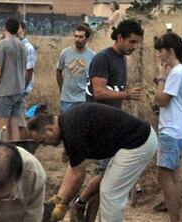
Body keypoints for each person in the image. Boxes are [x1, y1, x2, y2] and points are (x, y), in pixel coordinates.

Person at [28, 103, 157, 222]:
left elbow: (78, 175)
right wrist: (57, 200)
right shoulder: (67, 124)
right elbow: (73, 168)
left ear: (49, 129)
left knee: (111, 193)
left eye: (42, 141)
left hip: (139, 143)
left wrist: (63, 205)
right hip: (132, 143)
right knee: (108, 191)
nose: (44, 145)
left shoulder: (71, 129)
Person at [67, 19, 144, 221]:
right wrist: (126, 95)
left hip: (112, 126)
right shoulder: (103, 58)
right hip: (98, 126)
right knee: (107, 174)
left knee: (107, 177)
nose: (134, 47)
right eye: (132, 42)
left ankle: (88, 216)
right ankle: (79, 203)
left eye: (136, 43)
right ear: (120, 38)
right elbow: (99, 92)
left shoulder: (121, 59)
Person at [153, 33, 182, 222]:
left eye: (161, 51)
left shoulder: (177, 72)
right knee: (170, 176)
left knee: (164, 176)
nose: (159, 55)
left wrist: (161, 79)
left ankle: (174, 219)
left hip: (173, 131)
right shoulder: (180, 72)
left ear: (170, 51)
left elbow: (161, 100)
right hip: (178, 130)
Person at [0, 18, 27, 141]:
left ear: (4, 28)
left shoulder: (3, 44)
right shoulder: (22, 45)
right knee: (14, 123)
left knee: (1, 124)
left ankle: (3, 153)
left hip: (5, 90)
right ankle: (16, 150)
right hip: (19, 89)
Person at [56, 23, 95, 113]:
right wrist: (62, 89)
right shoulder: (65, 53)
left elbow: (93, 78)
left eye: (81, 37)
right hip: (67, 99)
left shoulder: (92, 56)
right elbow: (58, 71)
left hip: (83, 99)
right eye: (76, 36)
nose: (77, 39)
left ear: (87, 38)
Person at [16, 21, 37, 139]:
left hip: (21, 90)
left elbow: (29, 71)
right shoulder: (16, 46)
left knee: (20, 120)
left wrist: (21, 88)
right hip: (16, 88)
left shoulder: (27, 48)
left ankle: (24, 143)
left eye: (18, 29)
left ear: (23, 30)